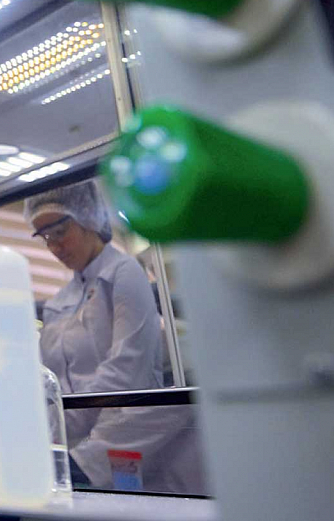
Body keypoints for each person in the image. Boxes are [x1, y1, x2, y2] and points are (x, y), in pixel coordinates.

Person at [28, 180, 202, 493]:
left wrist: (70, 436)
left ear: (88, 217)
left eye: (60, 231)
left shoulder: (125, 272)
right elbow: (54, 380)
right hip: (72, 444)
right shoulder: (58, 302)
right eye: (45, 237)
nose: (54, 247)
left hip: (117, 436)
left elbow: (127, 368)